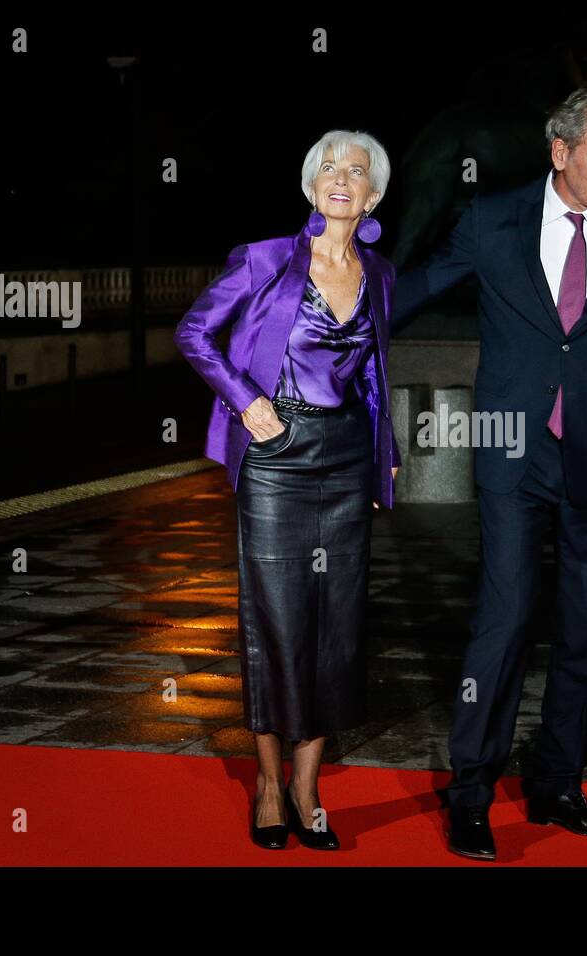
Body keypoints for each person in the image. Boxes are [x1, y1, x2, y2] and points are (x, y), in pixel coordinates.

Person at [393, 87, 587, 861]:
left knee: (585, 628)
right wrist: (314, 309)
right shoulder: (491, 220)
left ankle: (559, 783)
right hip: (511, 456)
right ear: (558, 152)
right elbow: (412, 290)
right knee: (504, 619)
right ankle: (470, 793)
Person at [174, 130, 401, 851]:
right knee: (276, 619)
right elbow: (194, 333)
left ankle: (309, 786)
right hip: (275, 455)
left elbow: (373, 375)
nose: (342, 179)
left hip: (344, 457)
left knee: (337, 622)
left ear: (373, 196)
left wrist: (382, 457)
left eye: (356, 172)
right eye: (328, 168)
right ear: (311, 187)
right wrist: (245, 400)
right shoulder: (267, 260)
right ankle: (270, 785)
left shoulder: (381, 273)